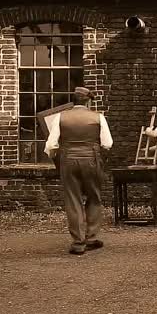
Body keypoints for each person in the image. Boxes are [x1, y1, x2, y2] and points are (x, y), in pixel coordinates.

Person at [45, 87, 113, 255]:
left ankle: (78, 242)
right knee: (94, 197)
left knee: (73, 199)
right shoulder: (98, 117)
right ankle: (90, 238)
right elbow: (107, 143)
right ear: (88, 101)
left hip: (68, 159)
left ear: (73, 101)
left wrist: (57, 157)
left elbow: (51, 145)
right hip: (91, 159)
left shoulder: (60, 117)